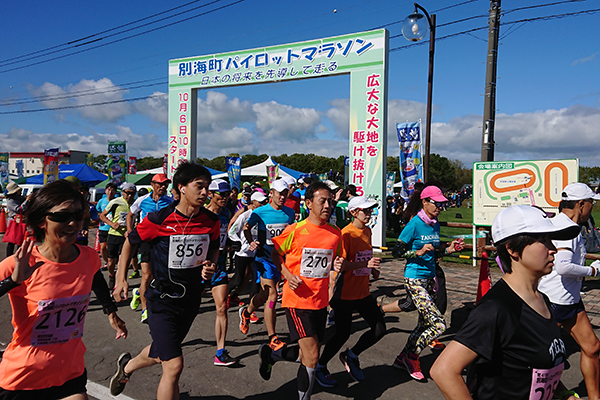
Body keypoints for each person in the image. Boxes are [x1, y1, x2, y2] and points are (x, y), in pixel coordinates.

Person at [431, 205, 581, 400]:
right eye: (543, 240)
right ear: (512, 249)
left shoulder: (542, 299)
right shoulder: (496, 308)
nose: (553, 249)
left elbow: (537, 372)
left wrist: (564, 394)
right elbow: (444, 371)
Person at [0, 180, 127, 400]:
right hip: (24, 375)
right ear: (41, 221)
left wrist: (111, 311)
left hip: (69, 371)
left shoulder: (88, 257)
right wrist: (12, 281)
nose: (72, 223)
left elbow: (95, 277)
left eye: (78, 216)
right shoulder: (20, 263)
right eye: (61, 216)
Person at [110, 162, 217, 400]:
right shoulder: (159, 218)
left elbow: (214, 247)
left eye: (207, 188)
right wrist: (121, 278)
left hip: (190, 299)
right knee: (173, 364)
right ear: (181, 187)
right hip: (162, 300)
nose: (205, 193)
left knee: (161, 353)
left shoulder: (211, 221)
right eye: (199, 187)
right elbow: (130, 240)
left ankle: (125, 368)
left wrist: (211, 264)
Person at [258, 181, 343, 400]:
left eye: (330, 201)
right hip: (297, 300)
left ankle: (273, 354)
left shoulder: (335, 233)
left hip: (320, 300)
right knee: (312, 355)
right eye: (322, 201)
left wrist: (338, 265)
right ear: (308, 203)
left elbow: (336, 260)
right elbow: (276, 253)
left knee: (308, 353)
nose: (327, 205)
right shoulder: (295, 230)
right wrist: (286, 274)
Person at [390, 185, 461, 381]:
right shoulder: (414, 224)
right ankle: (411, 356)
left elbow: (435, 252)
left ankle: (402, 358)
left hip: (430, 278)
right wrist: (417, 252)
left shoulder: (434, 224)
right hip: (414, 279)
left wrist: (449, 250)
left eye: (442, 204)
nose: (439, 207)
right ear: (424, 202)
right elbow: (396, 251)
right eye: (436, 203)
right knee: (438, 324)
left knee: (423, 325)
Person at [538, 182, 600, 400]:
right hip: (553, 301)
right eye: (591, 203)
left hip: (569, 300)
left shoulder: (562, 224)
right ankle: (558, 392)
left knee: (592, 347)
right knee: (542, 356)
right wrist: (592, 270)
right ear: (581, 204)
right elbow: (563, 267)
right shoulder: (566, 228)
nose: (593, 208)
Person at [315, 196, 386, 387]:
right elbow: (341, 266)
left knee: (379, 328)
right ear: (354, 212)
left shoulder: (368, 231)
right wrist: (366, 263)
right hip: (344, 294)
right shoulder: (345, 234)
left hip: (363, 292)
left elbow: (365, 258)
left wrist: (373, 269)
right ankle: (320, 366)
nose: (370, 213)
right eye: (366, 210)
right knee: (341, 334)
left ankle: (351, 355)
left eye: (371, 210)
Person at [238, 179, 295, 351]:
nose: (283, 197)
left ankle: (246, 313)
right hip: (264, 258)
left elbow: (290, 234)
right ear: (271, 194)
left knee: (263, 296)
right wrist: (251, 242)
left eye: (285, 193)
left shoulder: (290, 213)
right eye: (279, 194)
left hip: (282, 259)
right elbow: (247, 228)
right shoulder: (261, 212)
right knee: (272, 296)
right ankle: (273, 337)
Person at [126, 174, 174, 323]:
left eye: (165, 184)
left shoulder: (170, 201)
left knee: (158, 275)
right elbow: (130, 215)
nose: (163, 187)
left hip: (163, 241)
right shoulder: (142, 200)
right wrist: (129, 231)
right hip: (146, 240)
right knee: (146, 275)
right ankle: (145, 310)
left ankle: (138, 292)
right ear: (152, 184)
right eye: (160, 184)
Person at [204, 178, 238, 366]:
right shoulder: (202, 214)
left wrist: (231, 244)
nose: (226, 197)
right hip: (198, 267)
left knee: (222, 308)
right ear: (211, 194)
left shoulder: (226, 212)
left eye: (228, 194)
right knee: (186, 311)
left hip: (219, 264)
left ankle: (220, 352)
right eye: (221, 194)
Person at [227, 191, 268, 310]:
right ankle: (225, 296)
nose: (262, 204)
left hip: (255, 252)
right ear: (253, 203)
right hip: (243, 252)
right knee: (239, 279)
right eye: (260, 203)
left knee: (256, 279)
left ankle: (251, 307)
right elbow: (232, 231)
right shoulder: (245, 215)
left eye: (263, 202)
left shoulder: (263, 216)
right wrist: (237, 243)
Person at [99, 182, 137, 289]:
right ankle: (112, 275)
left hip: (127, 237)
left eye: (132, 193)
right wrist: (112, 224)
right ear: (123, 192)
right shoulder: (115, 202)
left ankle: (121, 281)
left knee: (122, 261)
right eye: (127, 193)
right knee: (111, 262)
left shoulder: (136, 203)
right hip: (114, 234)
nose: (129, 196)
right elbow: (102, 215)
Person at [3, 182, 29, 257]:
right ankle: (9, 256)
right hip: (14, 222)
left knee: (20, 239)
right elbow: (19, 209)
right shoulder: (10, 200)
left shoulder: (18, 197)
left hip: (21, 221)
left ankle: (19, 255)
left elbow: (24, 200)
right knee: (12, 240)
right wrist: (26, 201)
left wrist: (27, 198)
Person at [96, 183, 118, 266]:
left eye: (112, 190)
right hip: (103, 228)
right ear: (105, 191)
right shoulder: (101, 201)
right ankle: (107, 262)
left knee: (110, 247)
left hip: (113, 229)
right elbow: (98, 211)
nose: (110, 192)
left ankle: (111, 262)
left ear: (115, 192)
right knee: (102, 248)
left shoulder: (117, 201)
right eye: (108, 190)